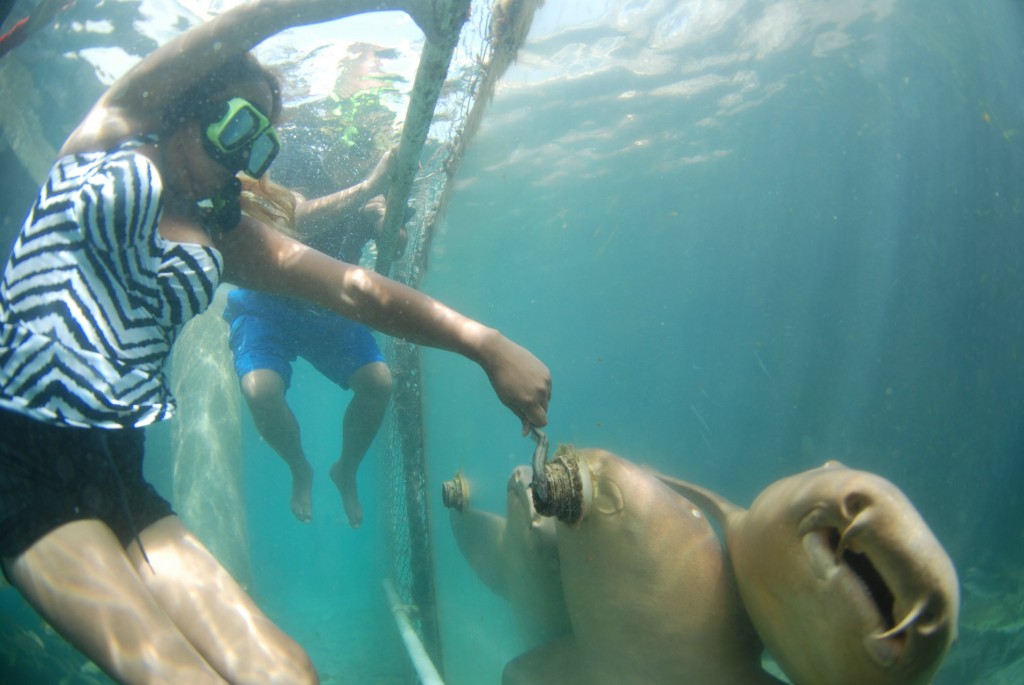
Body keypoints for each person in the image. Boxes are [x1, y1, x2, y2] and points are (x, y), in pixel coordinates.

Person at [0, 1, 551, 684]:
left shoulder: (226, 236)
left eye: (258, 144)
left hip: (116, 471)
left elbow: (354, 289)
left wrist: (486, 345)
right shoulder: (109, 133)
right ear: (185, 102)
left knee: (289, 671)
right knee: (175, 673)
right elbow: (250, 21)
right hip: (15, 456)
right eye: (234, 125)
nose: (239, 157)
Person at [224, 151, 408, 527]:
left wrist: (384, 218)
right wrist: (369, 186)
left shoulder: (371, 171)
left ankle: (346, 471)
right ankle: (299, 468)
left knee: (378, 384)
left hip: (328, 304)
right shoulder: (302, 156)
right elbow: (296, 221)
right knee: (261, 391)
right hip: (268, 300)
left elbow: (397, 243)